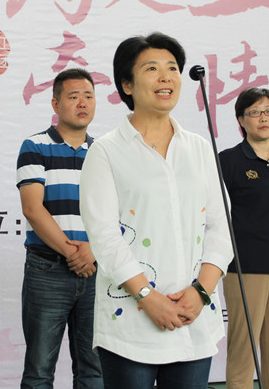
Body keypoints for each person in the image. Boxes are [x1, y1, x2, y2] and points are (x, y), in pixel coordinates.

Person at [79, 32, 233, 389]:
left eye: (173, 68)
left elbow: (221, 226)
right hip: (132, 322)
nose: (166, 77)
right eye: (152, 69)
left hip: (194, 315)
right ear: (127, 85)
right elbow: (104, 236)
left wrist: (202, 291)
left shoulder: (199, 148)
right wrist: (148, 297)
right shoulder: (106, 151)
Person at [16, 68, 103, 388]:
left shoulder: (105, 151)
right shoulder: (35, 146)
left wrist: (93, 252)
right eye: (74, 96)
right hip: (48, 269)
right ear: (55, 104)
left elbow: (119, 214)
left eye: (88, 96)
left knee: (95, 369)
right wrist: (73, 253)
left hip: (97, 270)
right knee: (39, 369)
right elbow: (32, 208)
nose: (82, 103)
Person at [218, 88, 269, 389]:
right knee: (244, 349)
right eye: (254, 112)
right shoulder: (228, 160)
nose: (263, 118)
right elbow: (217, 213)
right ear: (241, 120)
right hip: (246, 264)